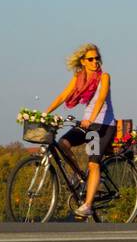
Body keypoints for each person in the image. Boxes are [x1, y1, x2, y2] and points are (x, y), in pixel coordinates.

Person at [45, 42, 115, 220]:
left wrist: (90, 120)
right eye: (90, 59)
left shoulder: (104, 77)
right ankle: (78, 175)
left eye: (97, 58)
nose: (94, 62)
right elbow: (63, 96)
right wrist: (45, 114)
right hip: (87, 125)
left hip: (102, 126)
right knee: (63, 144)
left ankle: (88, 206)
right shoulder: (79, 78)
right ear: (83, 61)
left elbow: (100, 100)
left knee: (93, 163)